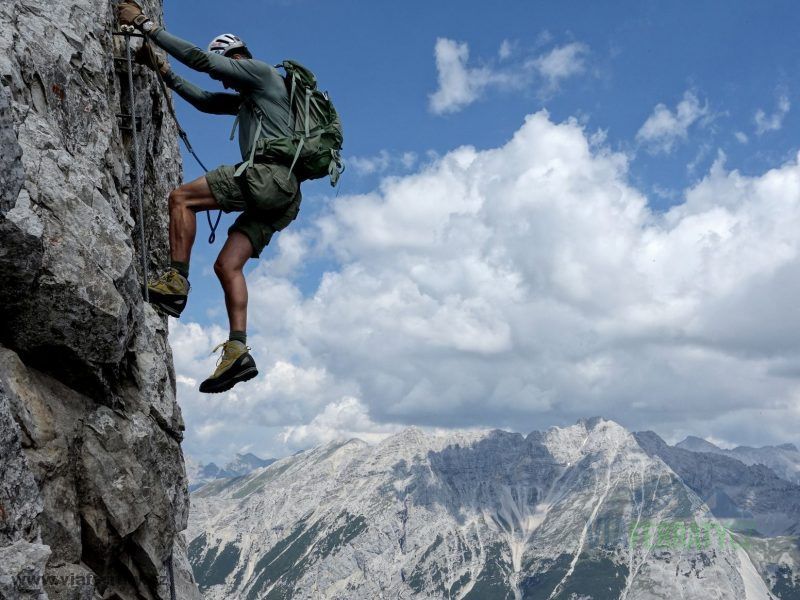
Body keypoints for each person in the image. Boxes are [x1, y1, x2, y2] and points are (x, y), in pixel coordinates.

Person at [117, 2, 302, 394]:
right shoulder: (253, 98)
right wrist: (163, 71)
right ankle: (238, 350)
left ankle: (176, 282)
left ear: (234, 57)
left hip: (268, 177)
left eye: (226, 72)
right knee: (227, 265)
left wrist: (145, 25)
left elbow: (203, 63)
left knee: (181, 199)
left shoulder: (261, 73)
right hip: (284, 196)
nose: (226, 83)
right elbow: (205, 100)